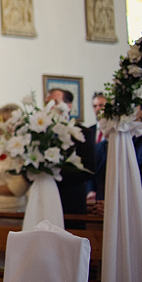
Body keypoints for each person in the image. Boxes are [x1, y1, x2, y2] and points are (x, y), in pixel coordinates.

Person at [44, 88, 94, 221]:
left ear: (69, 106)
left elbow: (88, 168)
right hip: (45, 197)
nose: (50, 107)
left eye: (55, 102)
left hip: (71, 200)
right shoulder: (42, 134)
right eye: (47, 103)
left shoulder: (84, 133)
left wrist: (56, 174)